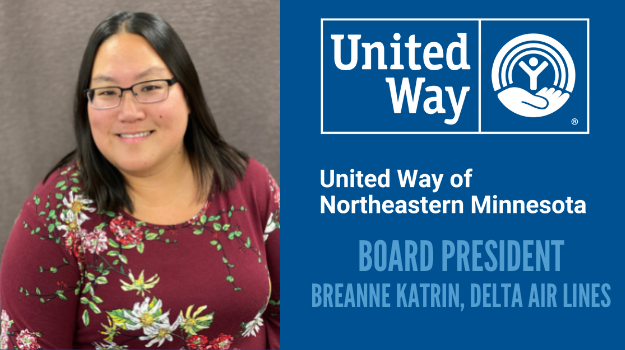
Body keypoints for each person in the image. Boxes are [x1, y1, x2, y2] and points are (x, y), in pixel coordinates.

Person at [0, 11, 280, 350]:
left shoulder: (250, 184)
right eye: (107, 92)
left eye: (149, 87)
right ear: (86, 105)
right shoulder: (55, 215)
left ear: (188, 93)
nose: (129, 112)